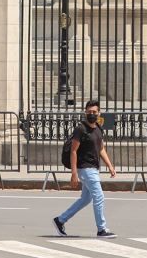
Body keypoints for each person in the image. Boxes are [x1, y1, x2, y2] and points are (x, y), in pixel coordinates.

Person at [52, 99, 117, 239]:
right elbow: (73, 151)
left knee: (86, 199)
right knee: (99, 196)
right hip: (85, 168)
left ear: (99, 113)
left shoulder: (98, 128)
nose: (92, 114)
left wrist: (110, 165)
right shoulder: (80, 129)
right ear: (85, 113)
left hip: (94, 167)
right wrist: (74, 173)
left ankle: (60, 220)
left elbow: (101, 148)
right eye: (89, 112)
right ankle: (101, 229)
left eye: (94, 112)